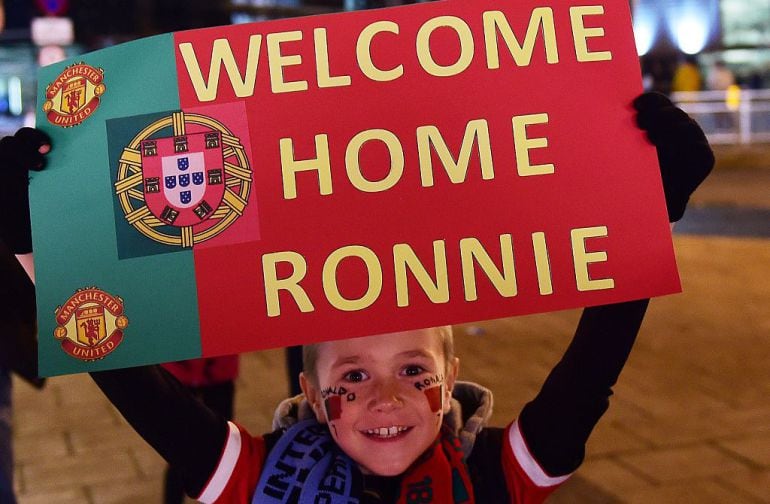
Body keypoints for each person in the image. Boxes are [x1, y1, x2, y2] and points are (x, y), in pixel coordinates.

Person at [1, 92, 714, 503]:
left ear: (450, 378)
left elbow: (587, 379)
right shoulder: (259, 479)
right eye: (352, 376)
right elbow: (137, 388)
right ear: (311, 395)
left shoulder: (494, 475)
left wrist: (647, 211)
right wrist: (35, 244)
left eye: (413, 370)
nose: (385, 399)